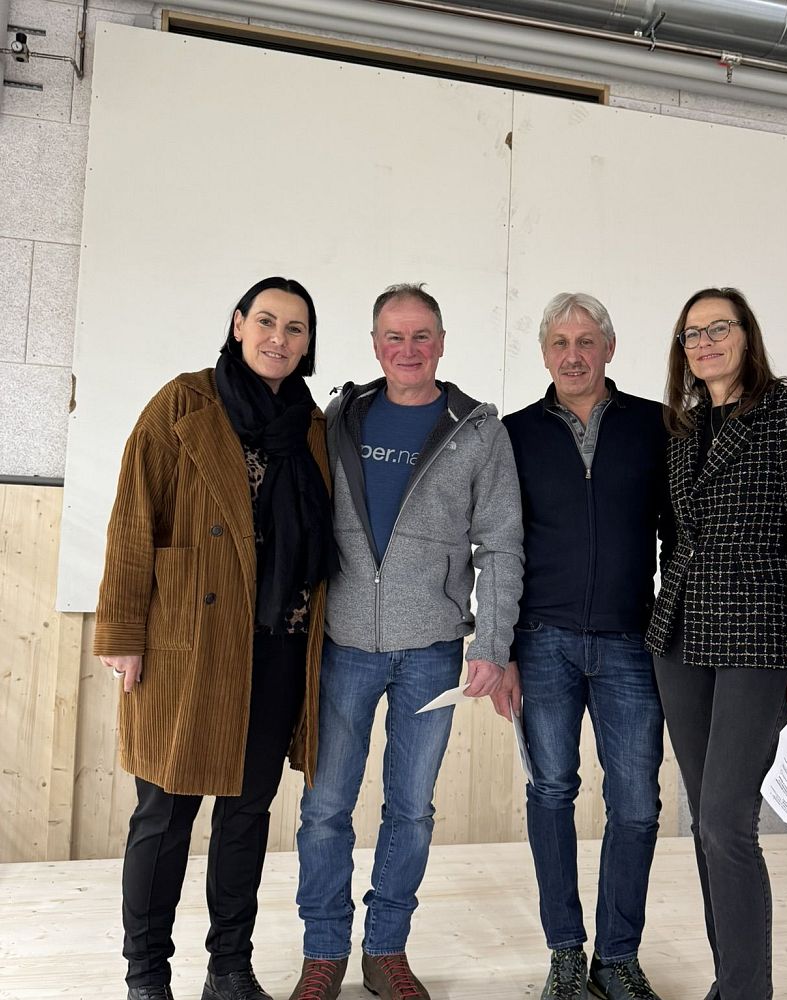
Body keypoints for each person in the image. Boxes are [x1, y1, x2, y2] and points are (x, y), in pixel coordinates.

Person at [94, 277, 338, 1000]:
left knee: (246, 816)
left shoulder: (312, 423)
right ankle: (146, 975)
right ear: (237, 325)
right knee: (165, 814)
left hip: (280, 645)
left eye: (295, 328)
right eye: (266, 321)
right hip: (191, 646)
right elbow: (132, 519)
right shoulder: (185, 403)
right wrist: (123, 633)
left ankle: (229, 969)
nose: (278, 339)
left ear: (307, 343)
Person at [291, 283, 523, 1000]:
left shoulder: (477, 430)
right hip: (344, 644)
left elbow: (502, 543)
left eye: (422, 335)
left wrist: (492, 643)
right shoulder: (340, 417)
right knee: (325, 807)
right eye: (394, 336)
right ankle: (323, 953)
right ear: (375, 345)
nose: (408, 349)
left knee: (412, 809)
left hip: (432, 650)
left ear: (442, 343)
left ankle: (385, 949)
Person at [645, 287, 787, 1000]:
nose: (705, 343)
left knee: (728, 822)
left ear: (746, 335)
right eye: (692, 334)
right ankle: (730, 982)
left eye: (718, 328)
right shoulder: (683, 426)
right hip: (681, 638)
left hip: (759, 638)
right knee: (705, 823)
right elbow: (673, 535)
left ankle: (747, 990)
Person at [498, 293, 672, 1000]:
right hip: (541, 641)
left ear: (609, 348)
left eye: (586, 341)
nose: (573, 356)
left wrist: (673, 632)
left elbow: (679, 536)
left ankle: (617, 958)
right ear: (545, 353)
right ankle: (566, 954)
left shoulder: (656, 426)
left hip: (631, 642)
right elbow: (500, 548)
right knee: (551, 792)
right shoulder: (514, 434)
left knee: (637, 805)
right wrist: (500, 649)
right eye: (560, 343)